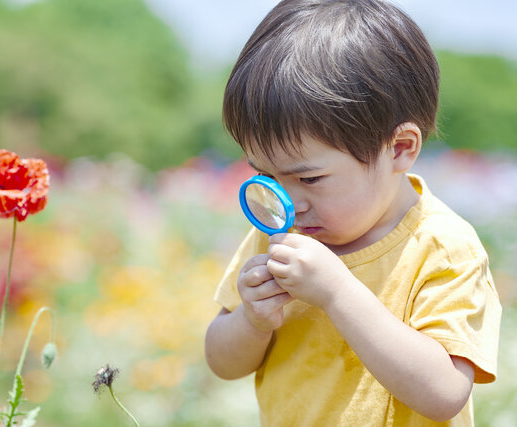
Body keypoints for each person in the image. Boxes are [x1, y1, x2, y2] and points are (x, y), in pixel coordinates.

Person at [204, 0, 502, 425]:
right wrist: (253, 320)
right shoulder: (280, 236)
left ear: (399, 149)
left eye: (309, 180)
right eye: (266, 176)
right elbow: (221, 361)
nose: (289, 204)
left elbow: (444, 393)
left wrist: (337, 292)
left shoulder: (442, 248)